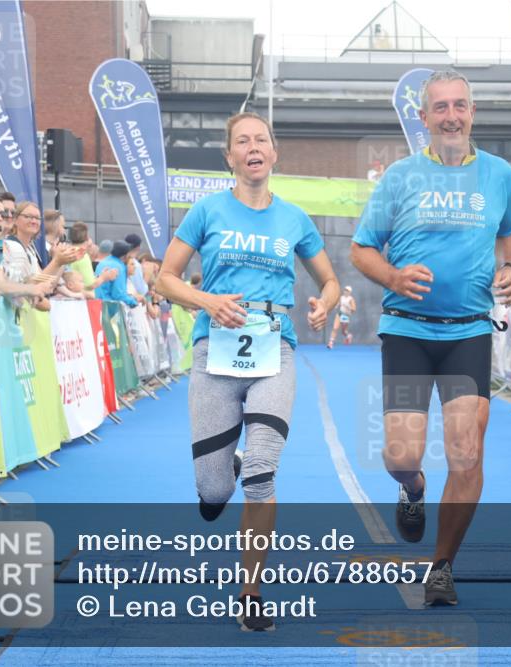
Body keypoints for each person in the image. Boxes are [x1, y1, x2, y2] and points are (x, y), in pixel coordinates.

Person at [156, 111, 339, 632]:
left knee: (262, 471)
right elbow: (166, 278)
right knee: (214, 492)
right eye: (242, 141)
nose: (253, 147)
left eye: (261, 139)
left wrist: (325, 304)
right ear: (230, 156)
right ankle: (221, 473)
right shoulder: (206, 211)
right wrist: (206, 299)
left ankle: (250, 592)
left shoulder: (295, 219)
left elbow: (329, 280)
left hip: (274, 349)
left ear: (274, 153)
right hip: (215, 352)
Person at [350, 69, 511, 606]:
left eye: (460, 105)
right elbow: (361, 250)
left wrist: (509, 268)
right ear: (423, 119)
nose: (451, 116)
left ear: (473, 112)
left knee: (467, 454)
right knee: (401, 454)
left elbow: (509, 233)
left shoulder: (499, 176)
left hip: (468, 333)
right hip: (407, 333)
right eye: (440, 108)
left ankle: (442, 566)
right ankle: (411, 488)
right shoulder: (400, 177)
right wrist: (395, 277)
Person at [1, 201, 80, 310]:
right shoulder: (11, 246)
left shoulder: (30, 249)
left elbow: (47, 283)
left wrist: (61, 262)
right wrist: (57, 261)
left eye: (37, 218)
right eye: (28, 216)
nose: (33, 221)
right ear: (15, 219)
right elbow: (27, 286)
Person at [94, 240, 138, 307]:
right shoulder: (119, 267)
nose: (131, 256)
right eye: (129, 254)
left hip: (97, 305)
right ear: (124, 256)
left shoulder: (102, 262)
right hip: (109, 308)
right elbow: (118, 295)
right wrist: (133, 302)